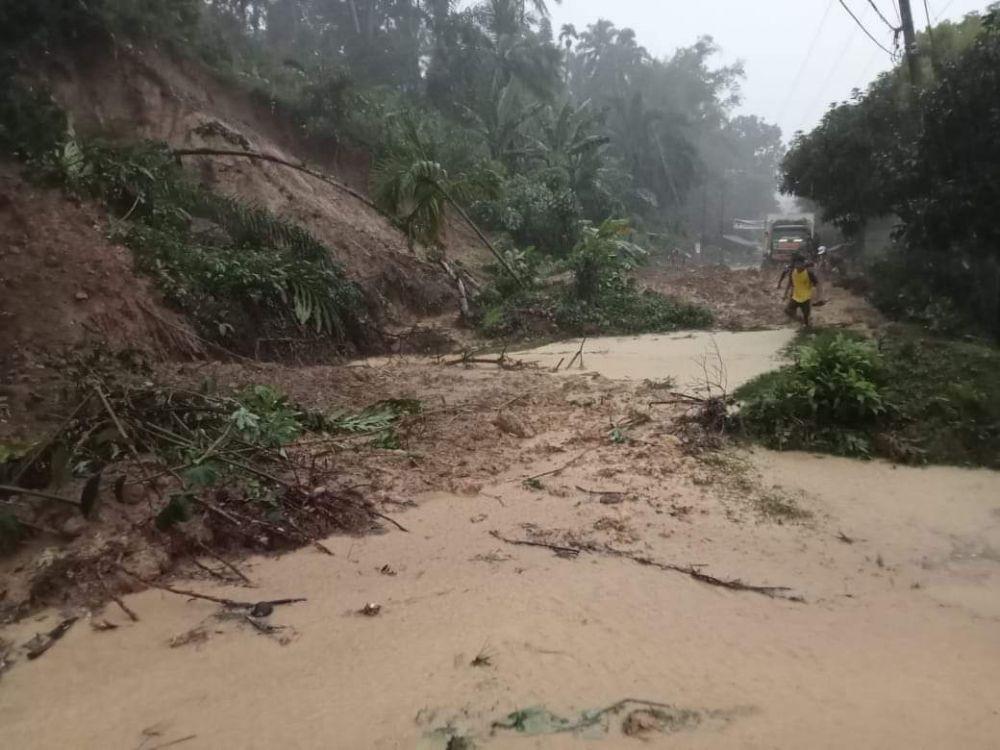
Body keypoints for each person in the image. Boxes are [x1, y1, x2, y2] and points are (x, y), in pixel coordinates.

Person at [783, 253, 822, 326]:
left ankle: (807, 325)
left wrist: (819, 297)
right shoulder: (792, 272)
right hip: (795, 297)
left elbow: (818, 284)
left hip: (806, 298)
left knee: (806, 318)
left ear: (803, 263)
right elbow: (789, 283)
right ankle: (799, 320)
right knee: (787, 311)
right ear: (794, 264)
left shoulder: (809, 273)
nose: (798, 266)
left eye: (800, 263)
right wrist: (785, 294)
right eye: (796, 263)